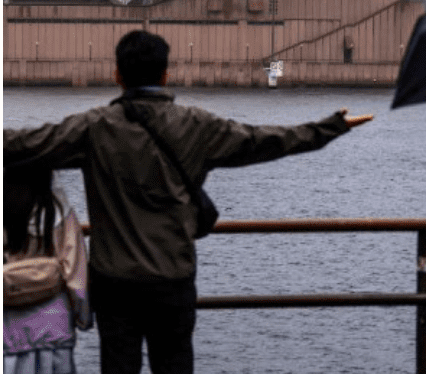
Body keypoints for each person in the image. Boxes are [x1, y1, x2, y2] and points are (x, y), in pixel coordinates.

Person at [3, 30, 373, 374]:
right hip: (173, 277)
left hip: (115, 281)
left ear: (118, 74)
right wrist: (329, 127)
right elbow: (265, 140)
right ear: (165, 75)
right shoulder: (196, 125)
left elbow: (28, 144)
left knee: (118, 365)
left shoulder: (94, 127)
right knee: (175, 362)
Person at [4, 168, 92, 374]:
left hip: (8, 327)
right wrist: (84, 318)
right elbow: (76, 274)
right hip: (54, 324)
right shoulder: (59, 210)